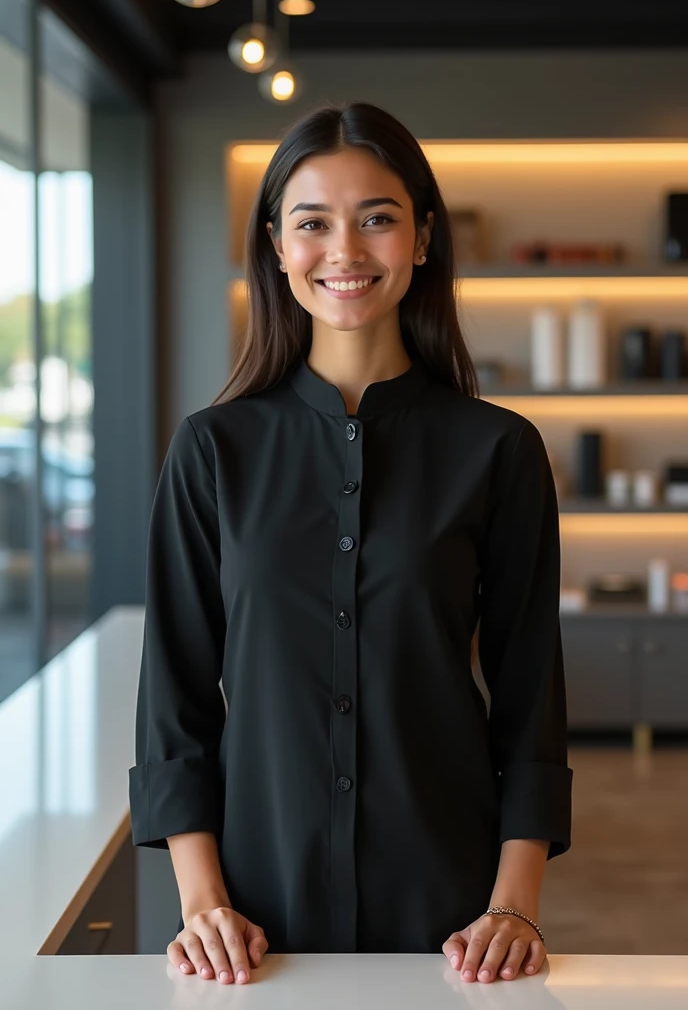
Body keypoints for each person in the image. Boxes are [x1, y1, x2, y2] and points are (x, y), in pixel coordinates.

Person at [128, 100, 572, 987]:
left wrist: (513, 902)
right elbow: (175, 689)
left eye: (377, 218)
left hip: (451, 916)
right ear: (275, 245)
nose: (345, 250)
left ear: (421, 239)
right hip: (252, 920)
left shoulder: (499, 449)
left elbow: (531, 691)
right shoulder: (211, 451)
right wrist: (202, 899)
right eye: (312, 223)